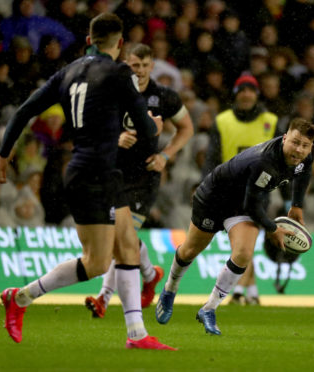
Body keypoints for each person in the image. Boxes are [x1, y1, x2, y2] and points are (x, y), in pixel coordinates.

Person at [0, 13, 174, 350]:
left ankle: (137, 335)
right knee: (96, 263)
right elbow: (146, 132)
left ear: (89, 41)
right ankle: (19, 297)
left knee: (129, 245)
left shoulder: (67, 72)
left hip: (94, 171)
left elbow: (23, 112)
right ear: (120, 45)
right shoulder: (119, 72)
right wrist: (154, 128)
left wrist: (2, 156)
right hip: (93, 175)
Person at [155, 118, 314, 335]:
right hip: (213, 198)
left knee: (243, 253)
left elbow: (304, 173)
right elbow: (252, 205)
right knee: (190, 250)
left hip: (240, 205)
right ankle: (169, 289)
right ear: (285, 138)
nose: (299, 150)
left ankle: (209, 309)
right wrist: (272, 228)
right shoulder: (265, 162)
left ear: (311, 147)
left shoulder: (305, 156)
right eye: (295, 142)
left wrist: (297, 205)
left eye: (305, 145)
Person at [84, 43, 194, 318]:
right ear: (126, 63)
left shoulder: (163, 96)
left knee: (118, 238)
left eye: (146, 66)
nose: (141, 71)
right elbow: (92, 129)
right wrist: (115, 139)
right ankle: (150, 274)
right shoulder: (114, 92)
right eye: (135, 65)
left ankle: (103, 298)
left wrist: (166, 156)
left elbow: (187, 128)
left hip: (144, 177)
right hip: (114, 173)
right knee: (122, 238)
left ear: (152, 66)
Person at [203, 73, 280, 306]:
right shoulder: (222, 121)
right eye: (242, 90)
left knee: (245, 242)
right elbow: (211, 157)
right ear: (236, 95)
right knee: (244, 244)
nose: (246, 95)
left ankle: (237, 292)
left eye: (251, 90)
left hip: (260, 189)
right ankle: (252, 291)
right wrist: (204, 183)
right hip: (229, 188)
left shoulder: (272, 121)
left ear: (257, 94)